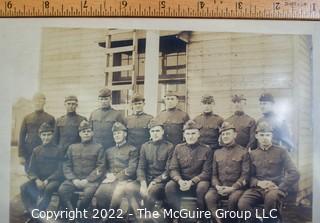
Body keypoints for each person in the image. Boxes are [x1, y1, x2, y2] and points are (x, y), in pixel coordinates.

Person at [238, 122, 300, 223]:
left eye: (268, 135)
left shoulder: (281, 152)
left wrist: (280, 187)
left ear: (272, 136)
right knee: (242, 203)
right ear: (257, 136)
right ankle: (257, 221)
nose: (265, 138)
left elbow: (294, 173)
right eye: (262, 135)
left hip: (275, 189)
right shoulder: (253, 154)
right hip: (257, 189)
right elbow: (249, 176)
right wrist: (258, 183)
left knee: (271, 199)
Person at [205, 122, 250, 223]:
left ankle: (230, 221)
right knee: (209, 197)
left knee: (233, 199)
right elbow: (214, 175)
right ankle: (218, 220)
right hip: (219, 187)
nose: (225, 136)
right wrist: (217, 186)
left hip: (236, 188)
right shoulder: (217, 152)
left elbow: (245, 175)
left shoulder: (243, 152)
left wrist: (233, 188)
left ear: (235, 134)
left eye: (228, 133)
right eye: (223, 134)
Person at [165, 120, 212, 217]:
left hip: (199, 181)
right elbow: (173, 168)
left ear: (198, 134)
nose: (190, 136)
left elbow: (206, 172)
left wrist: (192, 182)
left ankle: (201, 217)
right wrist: (179, 181)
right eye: (188, 133)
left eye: (193, 133)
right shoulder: (178, 148)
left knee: (202, 187)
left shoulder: (206, 149)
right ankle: (175, 216)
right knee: (169, 186)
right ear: (184, 135)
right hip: (182, 182)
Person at [58, 120, 104, 211]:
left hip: (91, 181)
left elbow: (101, 167)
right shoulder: (72, 147)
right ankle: (72, 212)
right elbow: (66, 165)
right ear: (80, 134)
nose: (86, 134)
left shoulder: (98, 147)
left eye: (88, 131)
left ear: (92, 133)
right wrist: (73, 179)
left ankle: (79, 212)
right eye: (83, 131)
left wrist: (88, 180)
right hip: (73, 180)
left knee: (88, 194)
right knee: (62, 190)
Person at [95, 122, 139, 211]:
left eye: (119, 133)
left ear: (125, 134)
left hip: (124, 180)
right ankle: (103, 216)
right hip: (110, 180)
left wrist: (116, 177)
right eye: (114, 134)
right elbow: (104, 167)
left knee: (117, 193)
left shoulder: (132, 149)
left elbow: (132, 169)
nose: (116, 136)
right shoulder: (109, 151)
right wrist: (107, 175)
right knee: (100, 193)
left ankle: (110, 216)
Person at [20, 123, 62, 212]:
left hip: (53, 180)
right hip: (39, 179)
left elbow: (60, 170)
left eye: (49, 134)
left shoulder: (58, 150)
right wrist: (36, 179)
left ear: (52, 135)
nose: (46, 137)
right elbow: (31, 170)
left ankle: (41, 210)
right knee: (24, 187)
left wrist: (48, 180)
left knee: (49, 188)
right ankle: (30, 208)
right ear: (40, 136)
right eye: (44, 135)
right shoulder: (36, 150)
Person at [136, 119, 174, 209]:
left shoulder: (169, 147)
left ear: (163, 132)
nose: (155, 133)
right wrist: (143, 183)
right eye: (152, 131)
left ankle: (146, 216)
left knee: (151, 191)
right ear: (149, 133)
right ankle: (135, 213)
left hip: (161, 182)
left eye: (157, 131)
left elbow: (168, 170)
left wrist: (155, 181)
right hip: (146, 180)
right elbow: (141, 167)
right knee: (130, 188)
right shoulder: (145, 146)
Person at [19, 92, 55, 171]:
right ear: (33, 102)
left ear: (44, 102)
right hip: (30, 149)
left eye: (41, 101)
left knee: (43, 170)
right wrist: (21, 155)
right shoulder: (27, 118)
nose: (38, 103)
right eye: (36, 101)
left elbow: (54, 136)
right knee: (30, 171)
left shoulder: (50, 118)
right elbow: (21, 136)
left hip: (45, 149)